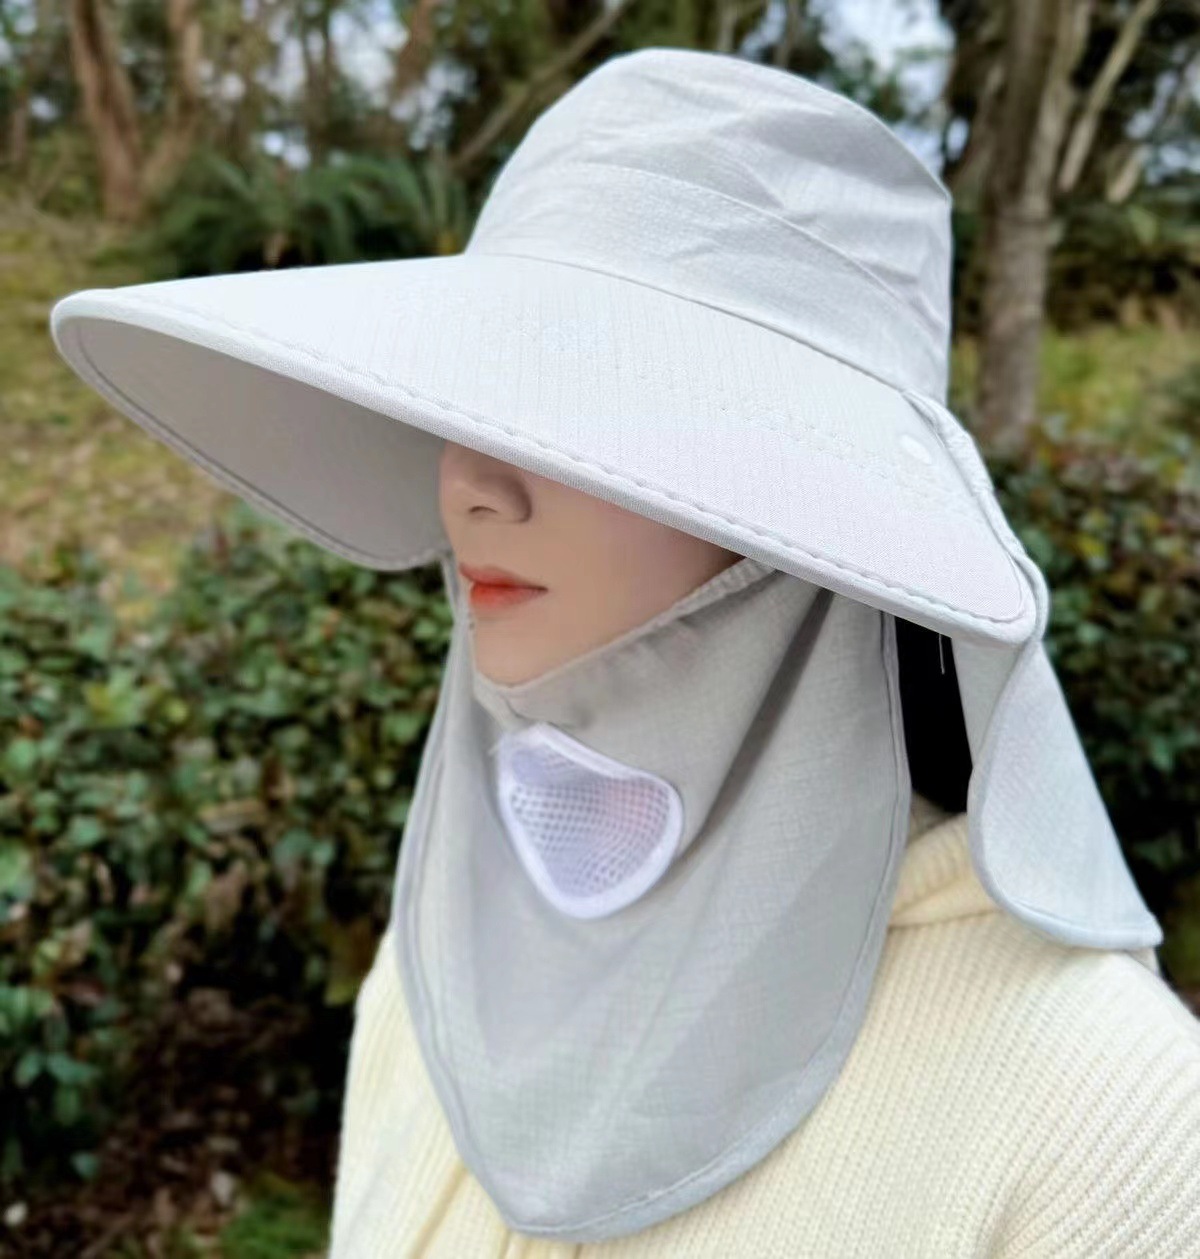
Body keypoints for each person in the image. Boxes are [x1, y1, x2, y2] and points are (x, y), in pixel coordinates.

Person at [48, 45, 1200, 1257]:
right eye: (467, 393)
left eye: (582, 408)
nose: (469, 484)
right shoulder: (444, 954)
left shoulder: (1108, 1112)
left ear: (813, 496)